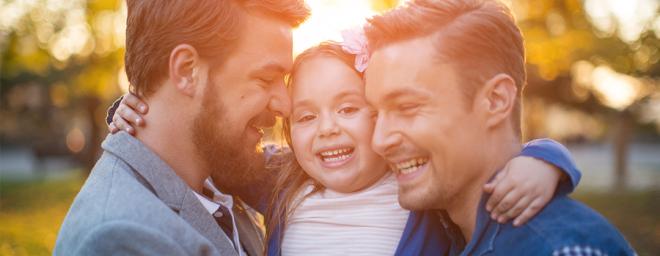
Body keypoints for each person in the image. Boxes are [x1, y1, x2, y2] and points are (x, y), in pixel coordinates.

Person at [108, 40, 580, 255]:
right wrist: (133, 113)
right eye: (306, 116)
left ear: (380, 114)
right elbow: (202, 149)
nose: (327, 129)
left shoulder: (416, 182)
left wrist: (545, 161)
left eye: (348, 108)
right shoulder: (282, 180)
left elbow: (479, 157)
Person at [363, 0, 636, 255]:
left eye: (407, 107)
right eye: (375, 114)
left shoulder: (563, 249)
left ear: (496, 100)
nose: (379, 140)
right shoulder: (436, 231)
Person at [55, 0, 309, 255]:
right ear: (187, 70)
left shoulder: (216, 169)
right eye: (265, 79)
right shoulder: (122, 238)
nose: (285, 106)